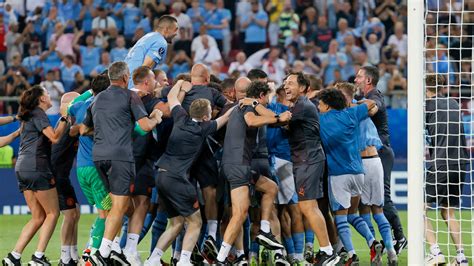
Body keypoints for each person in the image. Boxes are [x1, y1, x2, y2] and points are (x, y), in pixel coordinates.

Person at [145, 80, 234, 266]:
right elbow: (225, 118)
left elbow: (171, 97)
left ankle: (152, 260)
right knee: (195, 222)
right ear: (205, 117)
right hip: (177, 179)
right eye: (209, 112)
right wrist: (239, 104)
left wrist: (179, 84)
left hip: (161, 176)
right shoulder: (204, 129)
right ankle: (184, 261)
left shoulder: (180, 117)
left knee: (177, 224)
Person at [86, 62, 163, 265]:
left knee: (119, 205)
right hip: (120, 156)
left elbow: (84, 129)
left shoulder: (97, 98)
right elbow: (145, 126)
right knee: (120, 206)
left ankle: (111, 249)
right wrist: (155, 116)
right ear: (125, 77)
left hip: (98, 156)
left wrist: (110, 129)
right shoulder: (130, 95)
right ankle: (102, 253)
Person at [216, 81, 290, 264]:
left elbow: (273, 116)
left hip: (236, 164)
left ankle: (264, 230)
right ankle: (221, 258)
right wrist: (277, 117)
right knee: (240, 214)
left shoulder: (248, 104)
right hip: (238, 165)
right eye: (267, 97)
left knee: (271, 188)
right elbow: (253, 120)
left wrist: (273, 115)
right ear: (262, 95)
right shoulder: (247, 107)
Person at [2, 85, 68, 266]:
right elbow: (54, 138)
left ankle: (14, 256)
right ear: (42, 99)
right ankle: (38, 257)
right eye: (46, 92)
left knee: (38, 216)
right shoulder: (39, 114)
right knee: (53, 213)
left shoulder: (30, 116)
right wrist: (64, 117)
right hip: (37, 167)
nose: (49, 94)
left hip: (22, 168)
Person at [336, 82, 398, 265]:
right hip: (376, 161)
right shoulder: (365, 104)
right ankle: (391, 251)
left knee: (362, 211)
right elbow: (372, 107)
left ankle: (373, 245)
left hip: (360, 164)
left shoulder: (346, 113)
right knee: (377, 210)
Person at [283, 72, 339, 264]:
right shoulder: (300, 106)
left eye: (290, 83)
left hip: (308, 161)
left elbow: (280, 120)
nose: (285, 86)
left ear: (303, 88)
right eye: (284, 83)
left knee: (308, 206)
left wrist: (255, 107)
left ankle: (328, 252)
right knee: (310, 206)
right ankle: (328, 250)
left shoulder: (303, 106)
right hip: (306, 160)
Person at [318, 88, 377, 264]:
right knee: (353, 213)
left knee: (340, 218)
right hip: (358, 172)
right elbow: (371, 103)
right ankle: (372, 241)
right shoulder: (351, 113)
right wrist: (354, 104)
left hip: (338, 174)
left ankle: (351, 255)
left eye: (320, 104)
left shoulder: (322, 120)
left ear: (327, 106)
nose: (318, 107)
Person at [354, 66, 407, 253]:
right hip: (371, 154)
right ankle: (377, 243)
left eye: (359, 77)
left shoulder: (375, 96)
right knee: (366, 202)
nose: (355, 79)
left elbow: (373, 107)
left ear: (368, 80)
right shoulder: (361, 99)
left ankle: (400, 237)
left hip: (381, 153)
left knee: (382, 198)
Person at [424, 74, 469, 266]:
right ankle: (461, 257)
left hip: (441, 162)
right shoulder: (454, 103)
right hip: (460, 163)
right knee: (448, 212)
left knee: (420, 210)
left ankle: (435, 252)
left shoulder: (427, 106)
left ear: (426, 88)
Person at [68, 73, 112, 261]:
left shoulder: (78, 107)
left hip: (81, 169)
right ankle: (92, 254)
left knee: (103, 212)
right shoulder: (104, 106)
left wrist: (88, 91)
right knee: (107, 213)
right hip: (97, 169)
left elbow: (70, 105)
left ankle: (92, 250)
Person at [52, 92, 81, 266]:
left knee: (75, 212)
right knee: (70, 214)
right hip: (56, 175)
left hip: (62, 175)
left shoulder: (66, 122)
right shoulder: (69, 124)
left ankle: (73, 254)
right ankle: (65, 258)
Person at [124, 15, 178, 88]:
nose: (176, 33)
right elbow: (146, 66)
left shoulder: (148, 36)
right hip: (133, 82)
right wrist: (137, 90)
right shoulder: (161, 42)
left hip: (124, 78)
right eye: (175, 29)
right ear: (166, 29)